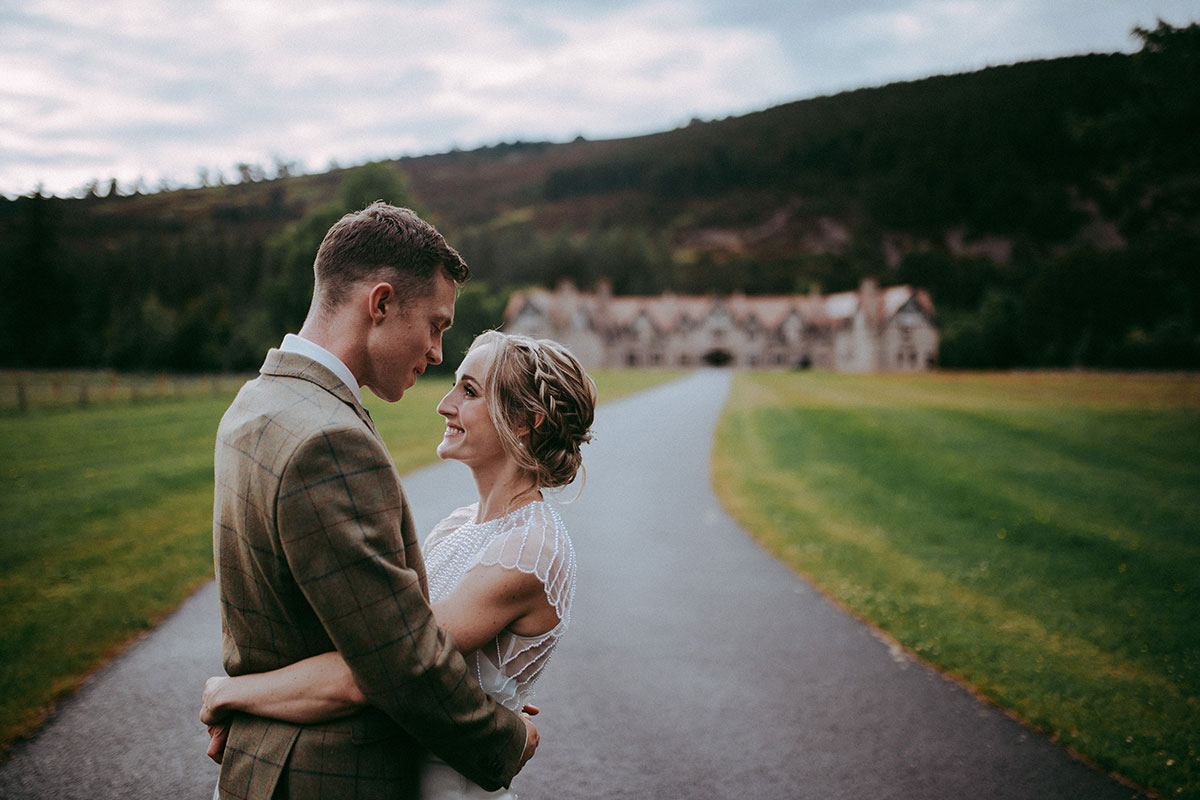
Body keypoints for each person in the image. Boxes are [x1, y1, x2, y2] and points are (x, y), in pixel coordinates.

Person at [208, 203, 539, 799]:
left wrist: (244, 701)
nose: (438, 352)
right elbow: (401, 661)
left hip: (263, 760)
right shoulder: (331, 441)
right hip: (330, 776)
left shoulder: (255, 404)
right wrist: (506, 739)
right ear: (380, 304)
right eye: (436, 325)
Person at [203, 330, 597, 799]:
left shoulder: (529, 551)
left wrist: (233, 694)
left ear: (524, 422)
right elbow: (380, 640)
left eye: (468, 391)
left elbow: (380, 670)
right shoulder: (457, 526)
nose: (444, 404)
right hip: (397, 772)